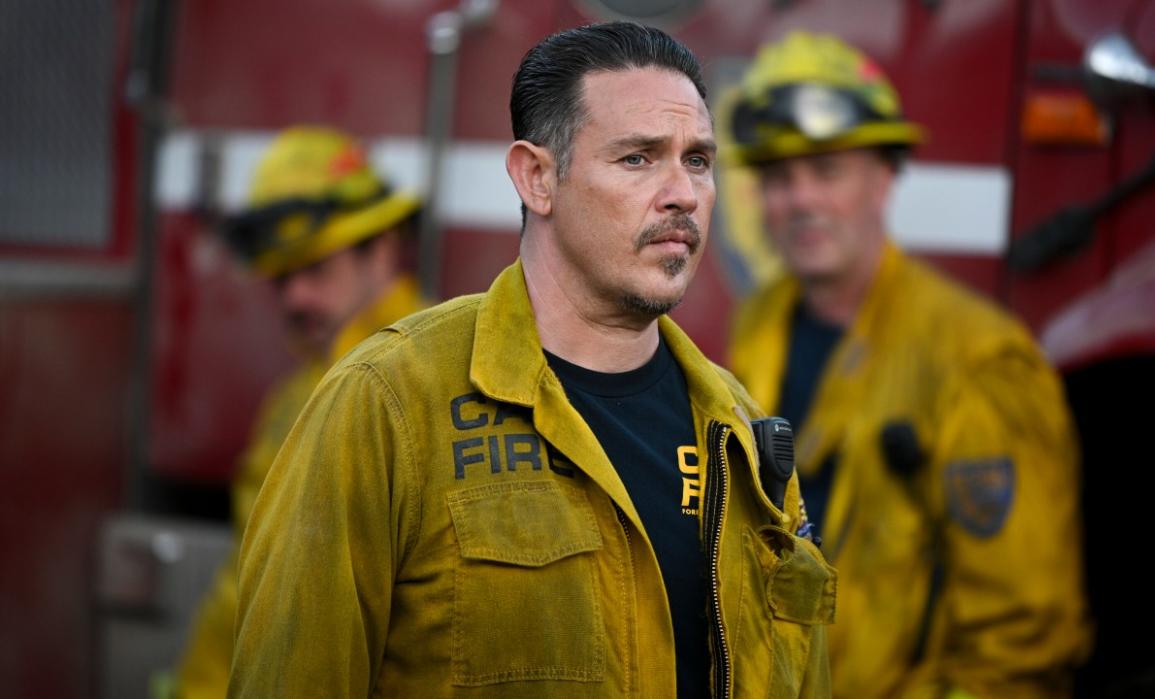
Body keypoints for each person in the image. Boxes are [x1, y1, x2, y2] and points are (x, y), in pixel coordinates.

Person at [229, 22, 834, 698]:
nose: (683, 193)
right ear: (537, 177)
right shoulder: (387, 403)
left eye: (697, 159)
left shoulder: (743, 435)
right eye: (638, 158)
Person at [725, 32, 1091, 699]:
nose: (800, 199)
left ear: (886, 176)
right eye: (778, 178)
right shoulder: (759, 326)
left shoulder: (977, 360)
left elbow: (1018, 649)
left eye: (827, 170)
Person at [171, 126, 428, 699]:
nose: (294, 299)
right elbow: (249, 593)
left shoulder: (437, 376)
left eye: (316, 270)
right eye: (282, 278)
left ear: (382, 249)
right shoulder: (291, 401)